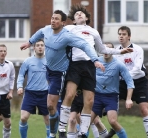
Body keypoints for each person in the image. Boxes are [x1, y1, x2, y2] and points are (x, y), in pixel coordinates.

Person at [20, 10, 105, 138]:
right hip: (48, 70)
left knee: (50, 105)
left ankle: (56, 132)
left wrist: (95, 60)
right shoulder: (47, 29)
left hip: (59, 74)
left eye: (56, 19)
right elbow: (39, 33)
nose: (53, 21)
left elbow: (84, 45)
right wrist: (29, 42)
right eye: (52, 18)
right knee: (51, 107)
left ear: (63, 22)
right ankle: (55, 129)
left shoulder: (67, 36)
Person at [58, 4, 133, 138]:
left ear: (86, 18)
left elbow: (103, 49)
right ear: (73, 20)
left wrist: (120, 51)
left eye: (82, 13)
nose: (79, 14)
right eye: (76, 14)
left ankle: (82, 133)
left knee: (90, 101)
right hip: (74, 65)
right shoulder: (69, 29)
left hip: (89, 66)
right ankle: (62, 129)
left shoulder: (93, 32)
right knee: (69, 95)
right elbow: (55, 35)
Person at [106, 26, 148, 138]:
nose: (121, 36)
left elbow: (137, 69)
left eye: (124, 34)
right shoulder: (116, 53)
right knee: (112, 104)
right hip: (122, 83)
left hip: (139, 82)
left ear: (129, 36)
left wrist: (125, 76)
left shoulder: (138, 49)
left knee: (144, 110)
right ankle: (114, 127)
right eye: (119, 34)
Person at [91, 42, 134, 138]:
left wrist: (128, 99)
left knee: (113, 121)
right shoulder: (95, 62)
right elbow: (84, 76)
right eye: (104, 49)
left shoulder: (119, 65)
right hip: (96, 96)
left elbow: (130, 82)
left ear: (113, 51)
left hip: (111, 96)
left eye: (109, 49)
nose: (106, 51)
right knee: (85, 122)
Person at [17, 39, 49, 138]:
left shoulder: (49, 61)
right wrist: (19, 87)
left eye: (42, 45)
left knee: (48, 120)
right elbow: (21, 75)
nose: (40, 47)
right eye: (38, 45)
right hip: (30, 93)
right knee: (23, 118)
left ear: (44, 47)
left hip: (45, 93)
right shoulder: (28, 61)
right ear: (34, 48)